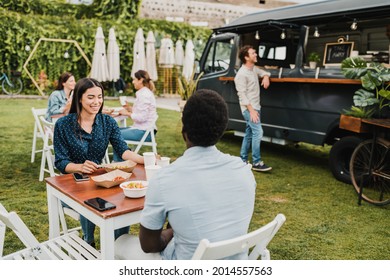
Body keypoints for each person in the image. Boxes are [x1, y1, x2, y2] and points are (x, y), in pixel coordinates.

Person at [115, 89, 256, 260]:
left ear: (184, 131)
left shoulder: (165, 178)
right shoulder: (243, 171)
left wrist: (172, 231)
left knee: (120, 242)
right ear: (221, 130)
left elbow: (149, 245)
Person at [53, 77, 144, 247]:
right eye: (91, 97)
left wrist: (145, 159)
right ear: (79, 98)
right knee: (94, 201)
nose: (97, 102)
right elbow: (60, 162)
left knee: (121, 202)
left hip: (99, 182)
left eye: (100, 97)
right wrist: (79, 167)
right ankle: (89, 240)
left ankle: (118, 244)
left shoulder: (107, 122)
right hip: (72, 186)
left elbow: (123, 150)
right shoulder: (63, 124)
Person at [234, 45, 272, 172]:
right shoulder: (241, 74)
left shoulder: (253, 69)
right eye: (253, 53)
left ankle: (243, 160)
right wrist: (251, 111)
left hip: (256, 107)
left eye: (255, 53)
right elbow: (242, 95)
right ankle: (256, 162)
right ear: (246, 57)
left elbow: (264, 72)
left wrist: (266, 77)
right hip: (249, 109)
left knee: (249, 133)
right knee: (258, 132)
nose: (256, 54)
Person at [114, 70, 158, 162]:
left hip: (145, 132)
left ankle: (119, 164)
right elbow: (141, 112)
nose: (133, 81)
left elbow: (142, 118)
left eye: (134, 79)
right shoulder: (143, 93)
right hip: (142, 129)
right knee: (113, 131)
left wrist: (127, 113)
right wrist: (129, 108)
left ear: (140, 80)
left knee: (115, 135)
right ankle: (121, 161)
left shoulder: (144, 95)